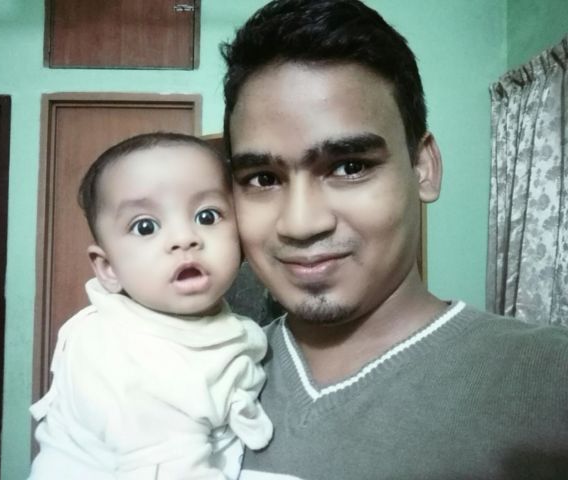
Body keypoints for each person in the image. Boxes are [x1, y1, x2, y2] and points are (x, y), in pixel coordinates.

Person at [220, 1, 568, 479]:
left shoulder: (549, 381)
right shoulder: (202, 370)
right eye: (262, 178)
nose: (300, 223)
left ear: (423, 167)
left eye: (349, 167)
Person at [28, 132, 273, 480]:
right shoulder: (123, 357)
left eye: (207, 216)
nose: (184, 239)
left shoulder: (208, 323)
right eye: (145, 227)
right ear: (109, 268)